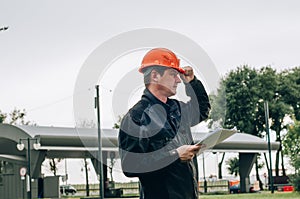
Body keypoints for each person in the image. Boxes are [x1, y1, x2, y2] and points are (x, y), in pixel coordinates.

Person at [118, 48, 210, 199]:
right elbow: (130, 165)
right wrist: (174, 156)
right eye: (173, 74)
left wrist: (192, 83)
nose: (178, 80)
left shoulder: (178, 109)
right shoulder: (137, 116)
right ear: (155, 76)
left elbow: (202, 109)